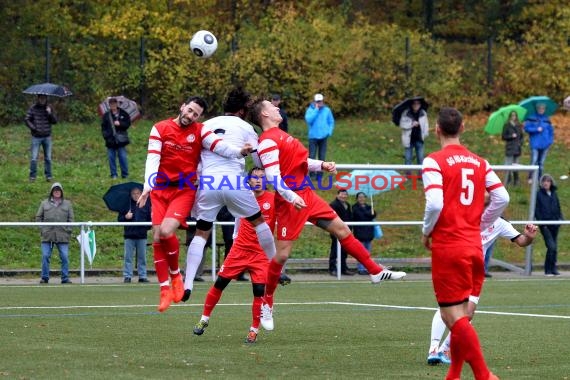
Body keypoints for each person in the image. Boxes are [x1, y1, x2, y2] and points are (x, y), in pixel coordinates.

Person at [249, 98, 406, 332]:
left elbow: (301, 161)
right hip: (290, 201)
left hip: (307, 196)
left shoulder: (284, 136)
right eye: (272, 107)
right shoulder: (267, 141)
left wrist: (322, 164)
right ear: (264, 115)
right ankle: (267, 303)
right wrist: (292, 197)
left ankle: (375, 271)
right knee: (281, 256)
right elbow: (273, 177)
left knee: (342, 229)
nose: (277, 108)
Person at [137, 95, 250, 313]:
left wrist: (239, 151)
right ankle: (164, 290)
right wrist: (147, 186)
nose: (190, 116)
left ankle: (176, 276)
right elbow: (152, 159)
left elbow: (220, 146)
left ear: (199, 117)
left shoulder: (200, 131)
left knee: (167, 231)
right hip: (160, 189)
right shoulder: (159, 128)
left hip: (184, 189)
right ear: (182, 107)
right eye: (189, 110)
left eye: (195, 114)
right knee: (157, 236)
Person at [421, 107, 509, 380]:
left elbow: (435, 202)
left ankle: (483, 374)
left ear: (436, 129)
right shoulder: (480, 162)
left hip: (449, 245)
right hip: (474, 246)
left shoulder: (433, 161)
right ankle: (454, 373)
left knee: (452, 317)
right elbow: (502, 198)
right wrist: (481, 223)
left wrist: (426, 231)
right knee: (462, 312)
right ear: (462, 129)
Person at [182, 87, 276, 302]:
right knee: (260, 223)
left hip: (209, 183)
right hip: (233, 181)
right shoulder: (246, 127)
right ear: (243, 110)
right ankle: (275, 266)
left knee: (201, 233)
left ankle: (187, 284)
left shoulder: (204, 125)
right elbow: (259, 160)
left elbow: (194, 156)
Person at [427, 217, 537, 365]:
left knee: (468, 314)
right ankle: (434, 349)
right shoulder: (465, 213)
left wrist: (529, 237)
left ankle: (444, 349)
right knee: (447, 307)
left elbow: (521, 241)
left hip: (474, 271)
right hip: (454, 264)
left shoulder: (499, 222)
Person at [193, 167, 275, 344]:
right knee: (220, 283)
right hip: (240, 250)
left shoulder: (274, 200)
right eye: (255, 177)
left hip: (260, 254)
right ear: (249, 180)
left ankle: (253, 330)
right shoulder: (242, 196)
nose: (259, 180)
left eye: (262, 177)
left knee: (259, 291)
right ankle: (204, 318)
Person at [35, 182, 74, 284]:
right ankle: (45, 277)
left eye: (58, 190)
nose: (57, 192)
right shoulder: (44, 203)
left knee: (64, 256)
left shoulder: (68, 204)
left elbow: (71, 220)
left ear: (61, 192)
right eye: (55, 190)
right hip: (47, 235)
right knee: (45, 256)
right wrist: (42, 229)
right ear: (52, 192)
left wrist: (68, 230)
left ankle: (65, 278)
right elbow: (38, 218)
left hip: (63, 236)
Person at [118, 186, 151, 283]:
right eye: (134, 193)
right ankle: (127, 276)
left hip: (142, 236)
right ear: (130, 195)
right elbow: (119, 219)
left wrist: (145, 228)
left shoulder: (146, 204)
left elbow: (150, 220)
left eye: (138, 193)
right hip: (129, 235)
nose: (136, 195)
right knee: (128, 257)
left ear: (141, 194)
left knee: (142, 257)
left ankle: (142, 276)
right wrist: (126, 217)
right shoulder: (126, 205)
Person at [535, 174, 563, 276]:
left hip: (555, 224)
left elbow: (558, 207)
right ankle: (547, 270)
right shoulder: (538, 194)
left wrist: (560, 219)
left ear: (551, 182)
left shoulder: (554, 194)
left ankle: (553, 268)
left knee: (554, 247)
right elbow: (537, 210)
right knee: (551, 246)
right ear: (542, 183)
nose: (546, 183)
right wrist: (542, 223)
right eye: (544, 181)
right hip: (545, 225)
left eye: (548, 181)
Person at [25, 94, 57, 182]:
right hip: (36, 137)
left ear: (46, 99)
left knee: (48, 158)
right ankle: (32, 177)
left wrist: (50, 113)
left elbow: (55, 121)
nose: (42, 100)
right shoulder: (33, 108)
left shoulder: (49, 108)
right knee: (34, 158)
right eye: (41, 98)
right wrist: (33, 128)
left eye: (44, 98)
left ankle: (49, 176)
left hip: (47, 137)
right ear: (38, 98)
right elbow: (27, 119)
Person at [101, 97, 131, 179]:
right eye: (111, 104)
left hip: (121, 140)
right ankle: (114, 174)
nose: (113, 105)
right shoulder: (106, 115)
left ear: (117, 104)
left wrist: (120, 123)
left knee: (123, 157)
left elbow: (128, 124)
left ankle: (125, 175)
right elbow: (103, 127)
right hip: (110, 140)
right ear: (109, 105)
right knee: (111, 158)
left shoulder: (124, 113)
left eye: (114, 103)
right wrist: (106, 136)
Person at [524, 103, 554, 183]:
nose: (541, 110)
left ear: (544, 109)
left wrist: (550, 141)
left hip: (545, 144)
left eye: (543, 108)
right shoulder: (531, 118)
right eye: (540, 108)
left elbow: (551, 131)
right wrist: (536, 129)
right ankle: (530, 177)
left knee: (541, 163)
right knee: (534, 160)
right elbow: (526, 128)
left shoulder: (547, 119)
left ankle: (539, 178)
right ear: (537, 109)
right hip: (535, 143)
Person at [399, 98, 429, 171]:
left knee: (421, 158)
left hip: (419, 139)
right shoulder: (406, 113)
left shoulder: (423, 113)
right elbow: (402, 124)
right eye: (414, 103)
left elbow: (426, 125)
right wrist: (411, 124)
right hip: (409, 140)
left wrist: (424, 134)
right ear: (411, 105)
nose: (416, 105)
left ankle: (421, 175)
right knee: (408, 158)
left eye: (418, 103)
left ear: (420, 105)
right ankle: (408, 175)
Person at [328, 189, 353, 276]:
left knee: (344, 250)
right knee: (335, 250)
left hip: (345, 231)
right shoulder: (333, 204)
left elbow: (350, 217)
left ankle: (343, 268)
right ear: (338, 195)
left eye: (345, 194)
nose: (344, 196)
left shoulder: (348, 205)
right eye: (342, 194)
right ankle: (332, 269)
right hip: (336, 230)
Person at [304, 93, 334, 163]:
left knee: (322, 157)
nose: (319, 103)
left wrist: (329, 132)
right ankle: (312, 174)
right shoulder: (310, 110)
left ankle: (320, 174)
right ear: (314, 102)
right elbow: (308, 120)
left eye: (320, 101)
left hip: (323, 137)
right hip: (313, 137)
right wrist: (316, 110)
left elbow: (331, 121)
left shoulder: (327, 110)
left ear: (323, 101)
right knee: (312, 157)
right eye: (317, 101)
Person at [352, 192, 375, 275]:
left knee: (368, 252)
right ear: (357, 198)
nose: (362, 199)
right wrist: (369, 213)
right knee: (361, 252)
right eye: (360, 197)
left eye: (363, 197)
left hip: (369, 233)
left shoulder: (369, 207)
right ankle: (361, 269)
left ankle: (367, 268)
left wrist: (372, 211)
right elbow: (360, 215)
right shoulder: (354, 207)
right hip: (359, 233)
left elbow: (373, 215)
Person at [501, 111, 524, 186]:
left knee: (516, 165)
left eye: (515, 115)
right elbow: (503, 137)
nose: (513, 117)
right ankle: (508, 180)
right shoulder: (507, 125)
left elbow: (521, 136)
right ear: (510, 116)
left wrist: (520, 143)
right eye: (512, 115)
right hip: (510, 148)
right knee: (508, 164)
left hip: (517, 148)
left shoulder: (518, 125)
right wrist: (511, 136)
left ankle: (516, 180)